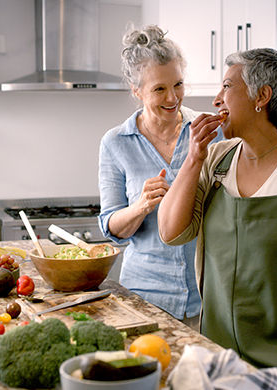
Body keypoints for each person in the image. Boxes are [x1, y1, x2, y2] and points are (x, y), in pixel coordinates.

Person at [158, 48, 277, 389]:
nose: (217, 99)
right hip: (219, 358)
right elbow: (171, 232)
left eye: (226, 87)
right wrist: (192, 158)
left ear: (262, 96)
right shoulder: (215, 159)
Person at [97, 25, 223, 328]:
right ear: (136, 90)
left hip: (207, 297)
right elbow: (110, 226)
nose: (172, 97)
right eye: (159, 89)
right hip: (143, 299)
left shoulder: (209, 133)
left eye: (178, 84)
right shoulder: (115, 143)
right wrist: (140, 206)